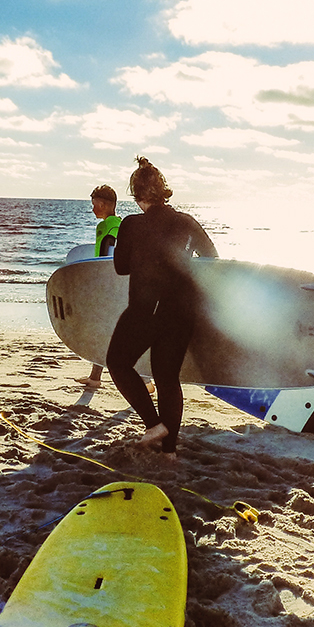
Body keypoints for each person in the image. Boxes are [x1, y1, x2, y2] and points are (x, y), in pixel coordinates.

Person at [105, 157, 217, 456]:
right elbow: (211, 259)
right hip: (183, 311)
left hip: (146, 309)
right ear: (163, 191)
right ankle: (169, 453)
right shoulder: (187, 222)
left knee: (117, 362)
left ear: (137, 194)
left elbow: (120, 267)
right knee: (167, 379)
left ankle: (154, 424)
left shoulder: (131, 224)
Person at [76, 184, 122, 390]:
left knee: (105, 332)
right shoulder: (119, 223)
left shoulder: (106, 226)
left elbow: (106, 253)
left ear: (103, 204)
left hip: (108, 285)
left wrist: (98, 283)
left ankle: (145, 380)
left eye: (94, 204)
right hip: (118, 283)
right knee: (105, 332)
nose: (93, 209)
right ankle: (95, 377)